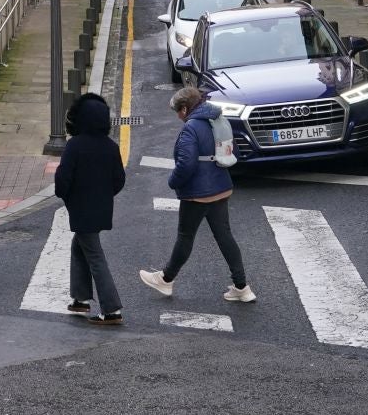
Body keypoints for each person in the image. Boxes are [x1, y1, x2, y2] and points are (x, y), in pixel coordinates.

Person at [139, 86, 254, 303]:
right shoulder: (219, 120)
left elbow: (186, 164)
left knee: (185, 237)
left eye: (178, 112)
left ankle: (166, 279)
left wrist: (172, 181)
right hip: (221, 188)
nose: (178, 117)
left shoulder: (191, 128)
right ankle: (242, 287)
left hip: (197, 194)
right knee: (225, 236)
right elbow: (234, 151)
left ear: (185, 109)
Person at [54, 92, 125, 326]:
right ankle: (80, 298)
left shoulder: (75, 146)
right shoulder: (111, 147)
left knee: (95, 256)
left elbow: (63, 181)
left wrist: (71, 197)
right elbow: (119, 180)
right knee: (80, 248)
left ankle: (111, 308)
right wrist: (102, 196)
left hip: (81, 208)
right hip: (101, 208)